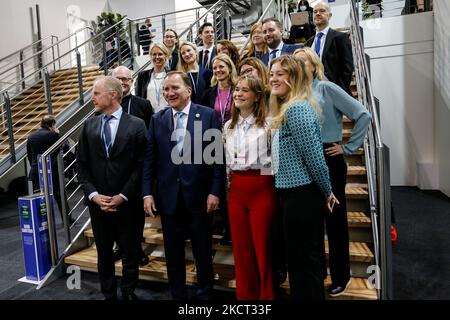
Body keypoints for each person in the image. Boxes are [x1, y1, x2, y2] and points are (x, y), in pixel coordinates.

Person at [294, 47, 371, 296]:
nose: (297, 66)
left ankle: (341, 276)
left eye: (302, 62)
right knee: (311, 220)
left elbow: (363, 115)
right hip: (303, 159)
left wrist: (348, 147)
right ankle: (318, 273)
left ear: (314, 66)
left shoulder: (327, 88)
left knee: (335, 220)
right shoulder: (293, 94)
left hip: (329, 156)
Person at [141, 71, 224, 300]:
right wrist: (147, 193)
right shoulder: (158, 119)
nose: (169, 93)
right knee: (174, 256)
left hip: (199, 198)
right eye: (166, 89)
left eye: (174, 88)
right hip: (168, 200)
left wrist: (215, 191)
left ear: (188, 90)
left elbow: (216, 158)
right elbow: (149, 159)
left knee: (202, 253)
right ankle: (178, 296)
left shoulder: (207, 115)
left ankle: (204, 297)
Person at [269, 55, 337, 300]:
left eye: (280, 74)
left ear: (294, 77)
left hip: (302, 196)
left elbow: (315, 158)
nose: (273, 79)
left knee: (304, 265)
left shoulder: (297, 109)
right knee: (301, 263)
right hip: (293, 195)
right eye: (272, 74)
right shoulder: (289, 107)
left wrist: (327, 190)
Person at [77, 76, 147, 300]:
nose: (92, 98)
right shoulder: (88, 125)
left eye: (96, 93)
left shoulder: (137, 124)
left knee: (130, 252)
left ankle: (128, 293)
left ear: (113, 95)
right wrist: (94, 195)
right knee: (104, 253)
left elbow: (141, 165)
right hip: (98, 204)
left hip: (127, 203)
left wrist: (123, 195)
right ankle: (109, 295)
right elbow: (82, 165)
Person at [223, 75, 277, 300]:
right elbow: (227, 163)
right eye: (237, 90)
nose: (238, 94)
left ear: (256, 97)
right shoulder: (228, 125)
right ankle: (245, 297)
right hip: (236, 191)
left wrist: (260, 177)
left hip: (261, 188)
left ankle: (266, 298)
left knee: (263, 250)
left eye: (245, 90)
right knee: (242, 250)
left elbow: (275, 161)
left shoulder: (269, 124)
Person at [112, 65, 154, 266]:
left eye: (126, 79)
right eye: (118, 79)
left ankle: (136, 249)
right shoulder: (107, 106)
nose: (122, 82)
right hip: (115, 171)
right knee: (118, 215)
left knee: (136, 215)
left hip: (138, 168)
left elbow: (150, 136)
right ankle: (121, 247)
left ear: (132, 81)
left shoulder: (143, 104)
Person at [26, 115, 72, 223]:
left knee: (39, 199)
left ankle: (42, 222)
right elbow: (65, 148)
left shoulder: (31, 136)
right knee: (60, 197)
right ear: (52, 125)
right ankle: (67, 220)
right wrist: (57, 133)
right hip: (52, 171)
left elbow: (29, 156)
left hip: (37, 172)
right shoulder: (53, 135)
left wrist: (36, 167)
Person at [306, 1, 354, 94]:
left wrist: (338, 92)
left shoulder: (340, 38)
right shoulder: (308, 43)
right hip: (314, 93)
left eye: (322, 11)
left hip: (335, 91)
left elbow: (347, 68)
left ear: (330, 15)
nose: (318, 14)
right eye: (315, 12)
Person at [201, 54, 238, 128]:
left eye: (221, 67)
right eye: (215, 68)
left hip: (235, 132)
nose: (218, 70)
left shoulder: (238, 90)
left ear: (230, 68)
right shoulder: (208, 94)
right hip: (214, 134)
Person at [135, 43, 170, 113]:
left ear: (166, 56)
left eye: (160, 54)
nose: (157, 57)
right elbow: (138, 99)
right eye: (154, 54)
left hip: (169, 115)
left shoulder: (172, 75)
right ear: (151, 56)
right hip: (149, 117)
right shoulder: (142, 75)